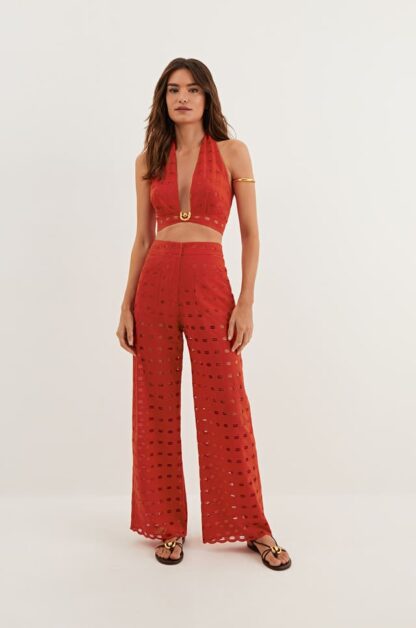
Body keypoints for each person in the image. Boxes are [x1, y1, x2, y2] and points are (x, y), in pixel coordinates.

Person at [116, 58, 292, 571]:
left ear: (207, 96)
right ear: (163, 99)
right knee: (154, 405)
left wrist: (246, 301)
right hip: (155, 285)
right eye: (173, 90)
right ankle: (166, 526)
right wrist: (125, 303)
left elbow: (251, 234)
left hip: (210, 283)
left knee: (226, 404)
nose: (183, 98)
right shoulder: (148, 159)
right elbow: (142, 238)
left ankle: (254, 526)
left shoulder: (233, 152)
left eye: (193, 89)